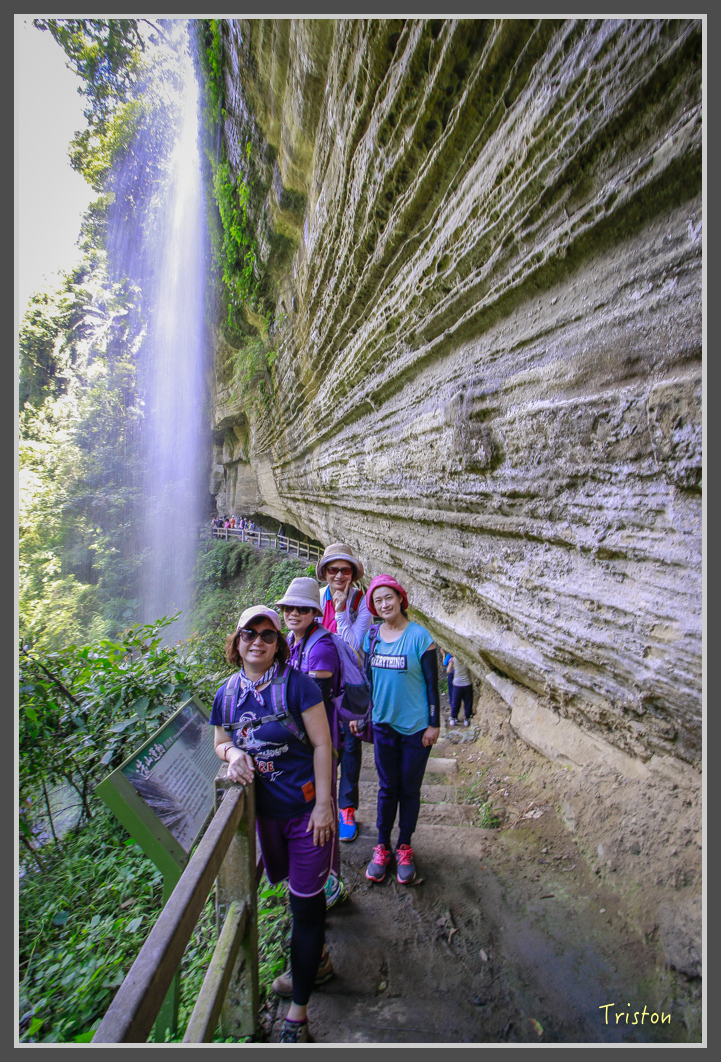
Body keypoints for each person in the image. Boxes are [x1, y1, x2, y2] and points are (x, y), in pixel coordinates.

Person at [210, 605, 334, 1044]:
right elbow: (221, 738)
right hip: (264, 819)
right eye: (249, 634)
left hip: (305, 817)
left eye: (267, 635)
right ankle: (318, 960)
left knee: (304, 906)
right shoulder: (226, 693)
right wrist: (232, 754)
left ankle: (298, 1012)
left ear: (278, 644)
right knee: (290, 895)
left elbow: (323, 744)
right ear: (237, 641)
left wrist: (325, 805)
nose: (258, 641)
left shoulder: (298, 687)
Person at [360, 574, 440, 886]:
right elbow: (368, 680)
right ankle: (382, 847)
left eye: (388, 597)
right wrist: (363, 714)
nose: (384, 604)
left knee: (408, 788)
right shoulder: (372, 637)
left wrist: (434, 723)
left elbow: (433, 683)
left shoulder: (420, 637)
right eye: (378, 601)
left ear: (400, 598)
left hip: (416, 729)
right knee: (386, 787)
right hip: (383, 725)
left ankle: (404, 846)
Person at [275, 577, 345, 912]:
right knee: (313, 806)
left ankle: (328, 883)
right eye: (289, 607)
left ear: (314, 612)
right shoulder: (291, 640)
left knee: (324, 803)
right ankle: (317, 878)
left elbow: (315, 698)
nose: (294, 613)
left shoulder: (322, 647)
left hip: (322, 743)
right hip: (300, 746)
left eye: (302, 608)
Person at [315, 543, 372, 843]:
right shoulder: (314, 598)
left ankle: (347, 807)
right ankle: (323, 802)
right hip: (320, 688)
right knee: (320, 745)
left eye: (345, 570)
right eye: (333, 569)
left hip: (348, 689)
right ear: (325, 572)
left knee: (350, 746)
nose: (339, 575)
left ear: (352, 574)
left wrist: (339, 613)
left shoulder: (361, 603)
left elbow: (352, 645)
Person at [447, 655, 474, 726]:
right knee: (468, 702)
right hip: (467, 683)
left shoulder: (453, 659)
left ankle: (453, 718)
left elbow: (448, 670)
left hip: (457, 684)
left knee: (456, 702)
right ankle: (466, 719)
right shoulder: (467, 658)